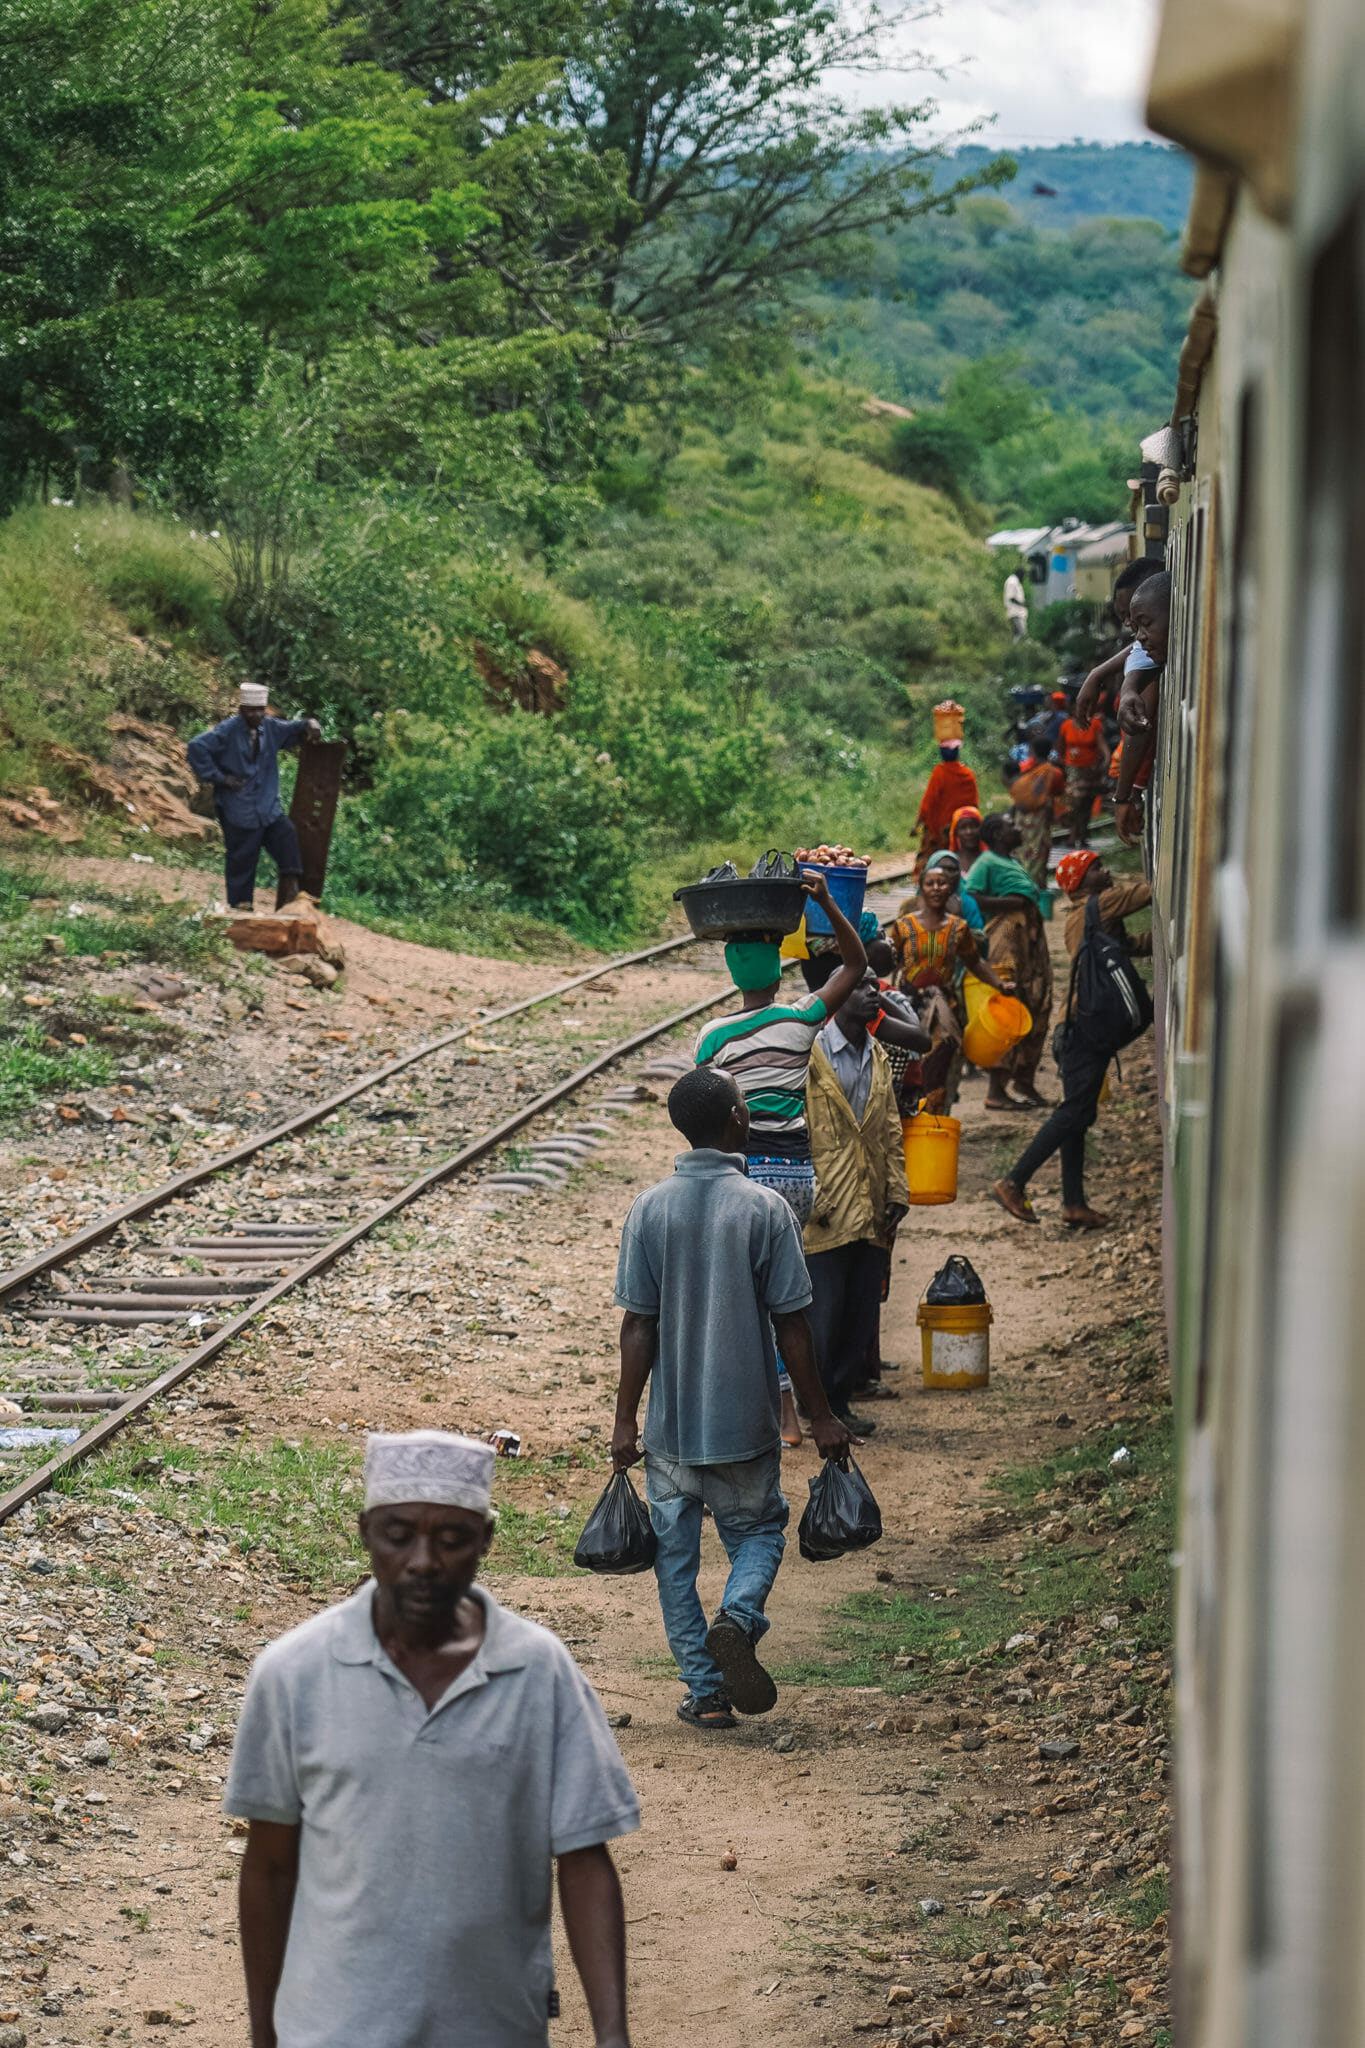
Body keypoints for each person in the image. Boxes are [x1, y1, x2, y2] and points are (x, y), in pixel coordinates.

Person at [226, 1430, 639, 2048]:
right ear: (366, 1534)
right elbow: (270, 1869)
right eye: (398, 1536)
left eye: (451, 1539)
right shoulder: (294, 1674)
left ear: (484, 1543)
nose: (423, 1560)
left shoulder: (537, 1670)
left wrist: (613, 2035)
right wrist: (265, 2036)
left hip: (494, 2024)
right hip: (334, 2027)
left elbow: (583, 1859)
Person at [612, 1068, 849, 1731]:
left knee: (673, 1558)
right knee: (758, 1532)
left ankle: (706, 1690)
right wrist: (820, 1415)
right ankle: (738, 1620)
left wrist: (625, 1420)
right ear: (738, 1121)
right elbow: (792, 1327)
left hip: (669, 1430)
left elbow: (638, 1326)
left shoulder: (648, 1208)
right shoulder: (764, 1209)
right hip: (742, 1422)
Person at [695, 868, 865, 1449]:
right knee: (787, 1299)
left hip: (745, 1177)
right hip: (797, 1178)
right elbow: (856, 966)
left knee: (748, 1299)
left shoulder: (712, 1037)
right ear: (776, 968)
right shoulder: (800, 1022)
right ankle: (799, 1414)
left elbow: (707, 1109)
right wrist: (826, 904)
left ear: (732, 968)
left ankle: (779, 1416)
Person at [993, 850, 1152, 1229]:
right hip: (1083, 1030)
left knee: (1078, 1114)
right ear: (1080, 882)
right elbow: (1149, 892)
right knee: (1073, 1112)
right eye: (1096, 867)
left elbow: (1128, 946)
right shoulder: (1101, 905)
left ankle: (1074, 1205)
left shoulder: (1083, 919)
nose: (1106, 870)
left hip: (1078, 1029)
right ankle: (1013, 1181)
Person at [802, 969, 912, 1430]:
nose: (874, 994)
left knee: (860, 1309)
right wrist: (809, 1194)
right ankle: (817, 1409)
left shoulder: (878, 1055)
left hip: (870, 1200)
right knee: (821, 1315)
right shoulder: (810, 1055)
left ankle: (840, 1405)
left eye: (876, 986)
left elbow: (889, 1126)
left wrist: (898, 1189)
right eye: (864, 986)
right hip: (825, 1203)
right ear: (838, 995)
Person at [888, 856, 1013, 1113]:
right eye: (931, 883)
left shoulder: (959, 928)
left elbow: (975, 962)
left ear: (951, 889)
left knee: (940, 1064)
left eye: (942, 884)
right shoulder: (904, 926)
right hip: (907, 1007)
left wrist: (999, 984)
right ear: (921, 888)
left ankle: (934, 1121)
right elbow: (892, 960)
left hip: (944, 1009)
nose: (936, 888)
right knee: (904, 1068)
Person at [188, 684, 322, 911]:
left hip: (266, 806)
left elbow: (293, 729)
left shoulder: (270, 728)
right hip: (238, 808)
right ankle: (242, 907)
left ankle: (291, 895)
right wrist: (221, 778)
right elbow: (196, 747)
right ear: (242, 709)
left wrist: (310, 724)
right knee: (242, 858)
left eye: (261, 710)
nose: (257, 715)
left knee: (287, 836)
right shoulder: (227, 731)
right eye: (251, 710)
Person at [964, 812, 1053, 1110]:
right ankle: (996, 1090)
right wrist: (1012, 903)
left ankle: (1024, 1082)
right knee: (1008, 1004)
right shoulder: (986, 863)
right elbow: (971, 896)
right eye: (1011, 825)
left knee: (1037, 1001)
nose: (1017, 827)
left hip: (1029, 935)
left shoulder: (1013, 861)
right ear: (998, 835)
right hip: (1006, 937)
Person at [1114, 572, 1170, 846]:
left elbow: (1138, 731)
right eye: (1134, 627)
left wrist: (1125, 795)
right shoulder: (1152, 655)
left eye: (1145, 624)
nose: (1140, 637)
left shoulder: (1151, 669)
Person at [915, 743, 979, 871]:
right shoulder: (968, 774)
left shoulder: (939, 772)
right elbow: (974, 804)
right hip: (960, 827)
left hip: (939, 829)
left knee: (932, 860)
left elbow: (928, 801)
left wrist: (918, 823)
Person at [1008, 752, 1066, 888]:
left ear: (1033, 751)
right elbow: (1059, 792)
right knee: (1039, 857)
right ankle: (1038, 889)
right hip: (1040, 821)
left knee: (1023, 854)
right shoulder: (1053, 772)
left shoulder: (1027, 769)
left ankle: (1024, 886)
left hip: (1023, 820)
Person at [1057, 705, 1109, 847]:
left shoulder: (1094, 725)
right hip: (1072, 769)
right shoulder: (1066, 726)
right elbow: (1060, 747)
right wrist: (1062, 767)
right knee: (1075, 803)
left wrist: (1106, 761)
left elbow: (1102, 746)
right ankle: (1073, 835)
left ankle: (1083, 833)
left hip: (1090, 771)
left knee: (1087, 803)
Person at [1004, 569, 1029, 639]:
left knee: (1017, 636)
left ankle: (1014, 649)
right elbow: (1011, 598)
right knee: (1023, 635)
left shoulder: (1015, 581)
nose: (1023, 579)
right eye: (1023, 576)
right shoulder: (1012, 582)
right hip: (1016, 614)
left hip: (1017, 613)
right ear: (1020, 574)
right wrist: (1023, 604)